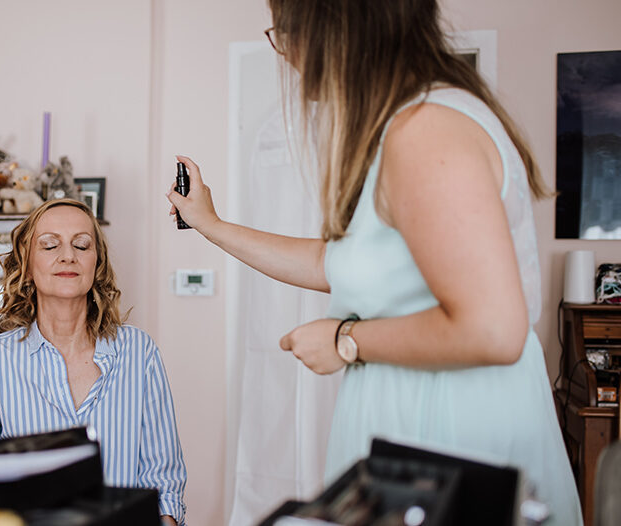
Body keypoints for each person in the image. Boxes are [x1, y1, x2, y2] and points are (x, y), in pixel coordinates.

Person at [166, 1, 581, 523]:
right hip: (418, 439)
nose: (287, 53)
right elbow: (338, 262)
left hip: (451, 441)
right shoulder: (410, 124)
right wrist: (212, 224)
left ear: (336, 26)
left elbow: (493, 329)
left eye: (285, 33)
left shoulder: (426, 129)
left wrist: (346, 339)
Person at [0, 199, 187, 525]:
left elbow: (164, 485)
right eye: (49, 245)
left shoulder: (139, 352)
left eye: (81, 244)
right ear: (27, 265)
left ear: (97, 263)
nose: (68, 256)